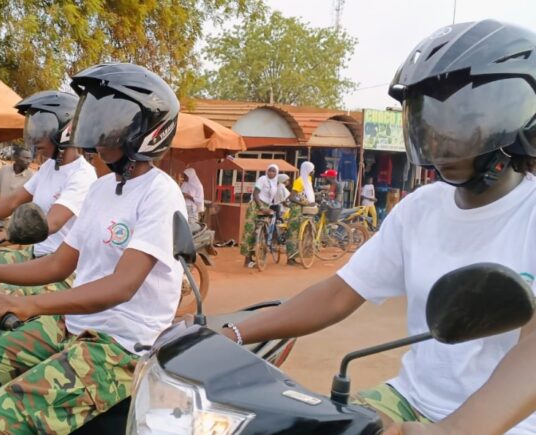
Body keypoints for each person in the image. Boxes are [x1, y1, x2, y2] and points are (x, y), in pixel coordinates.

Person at [221, 20, 536, 435]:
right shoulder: (419, 208)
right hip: (408, 398)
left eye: (463, 120)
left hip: (506, 422)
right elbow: (338, 293)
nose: (441, 138)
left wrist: (457, 429)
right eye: (431, 119)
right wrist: (233, 332)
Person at [0, 63, 186, 434]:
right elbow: (57, 264)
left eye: (110, 119)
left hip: (119, 348)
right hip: (72, 326)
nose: (99, 128)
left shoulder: (160, 193)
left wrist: (29, 304)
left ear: (146, 130)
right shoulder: (101, 188)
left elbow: (122, 286)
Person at [0, 90, 96, 297]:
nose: (35, 138)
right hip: (34, 253)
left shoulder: (83, 175)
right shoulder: (48, 167)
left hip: (63, 270)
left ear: (67, 130)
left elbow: (50, 224)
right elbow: (12, 202)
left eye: (42, 128)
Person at [240, 164, 279, 268]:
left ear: (277, 173)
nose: (271, 173)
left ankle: (258, 257)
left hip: (266, 207)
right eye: (270, 170)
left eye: (274, 171)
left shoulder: (275, 183)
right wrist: (261, 206)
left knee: (263, 232)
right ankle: (247, 260)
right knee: (250, 231)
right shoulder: (262, 179)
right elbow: (255, 194)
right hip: (256, 205)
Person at [284, 161, 315, 265]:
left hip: (305, 209)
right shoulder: (299, 181)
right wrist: (305, 203)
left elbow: (306, 194)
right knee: (293, 233)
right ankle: (290, 258)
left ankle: (297, 255)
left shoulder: (308, 179)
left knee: (302, 234)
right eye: (311, 169)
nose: (313, 171)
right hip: (296, 210)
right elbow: (292, 197)